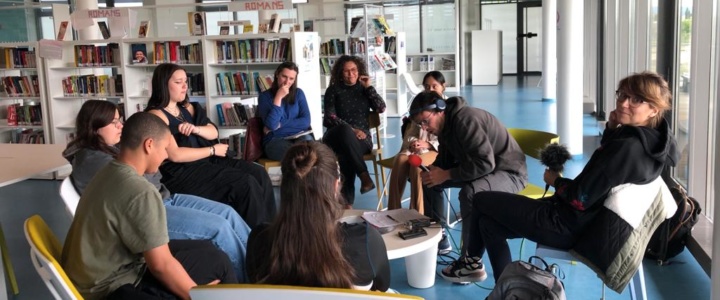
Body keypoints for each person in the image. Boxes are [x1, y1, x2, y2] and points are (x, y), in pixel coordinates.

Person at [441, 72, 679, 284]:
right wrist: (611, 129)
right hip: (585, 222)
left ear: (654, 109)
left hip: (567, 225)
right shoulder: (651, 143)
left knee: (481, 198)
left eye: (636, 99)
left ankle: (470, 263)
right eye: (622, 95)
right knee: (488, 224)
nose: (624, 103)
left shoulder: (628, 147)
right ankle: (505, 286)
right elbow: (607, 174)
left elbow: (579, 199)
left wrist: (555, 180)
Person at [62, 100, 251, 281]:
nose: (121, 126)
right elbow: (142, 183)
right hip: (150, 210)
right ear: (94, 127)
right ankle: (249, 283)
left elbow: (149, 175)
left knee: (228, 213)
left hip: (162, 196)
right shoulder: (94, 161)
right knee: (220, 228)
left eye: (120, 120)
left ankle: (260, 266)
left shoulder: (111, 148)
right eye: (113, 123)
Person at [146, 63, 276, 228]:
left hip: (206, 161)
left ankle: (271, 230)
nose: (185, 86)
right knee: (245, 183)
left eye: (186, 81)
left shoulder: (187, 107)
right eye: (179, 82)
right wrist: (212, 150)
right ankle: (258, 241)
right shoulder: (156, 115)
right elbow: (175, 155)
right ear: (163, 85)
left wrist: (196, 129)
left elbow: (213, 132)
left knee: (258, 173)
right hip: (182, 171)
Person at [246, 141, 390, 291]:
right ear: (335, 186)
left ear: (284, 185)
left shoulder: (259, 240)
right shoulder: (366, 240)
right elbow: (382, 287)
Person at [408, 91, 528, 261]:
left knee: (470, 193)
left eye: (426, 121)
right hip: (483, 171)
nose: (425, 128)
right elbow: (446, 162)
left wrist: (447, 174)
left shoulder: (466, 120)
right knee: (430, 181)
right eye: (421, 124)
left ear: (440, 109)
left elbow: (485, 163)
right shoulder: (444, 128)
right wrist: (433, 171)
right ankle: (439, 238)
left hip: (509, 173)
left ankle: (469, 260)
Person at [323, 55, 386, 206]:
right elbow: (330, 117)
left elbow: (381, 108)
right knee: (345, 132)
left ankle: (347, 204)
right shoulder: (333, 90)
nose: (351, 74)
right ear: (340, 73)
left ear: (359, 71)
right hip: (335, 137)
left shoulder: (364, 90)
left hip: (361, 140)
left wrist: (369, 87)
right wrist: (352, 130)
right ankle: (364, 176)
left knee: (346, 154)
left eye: (353, 70)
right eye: (346, 71)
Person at [387, 71, 444, 215]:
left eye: (434, 86)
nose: (430, 90)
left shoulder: (444, 109)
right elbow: (409, 134)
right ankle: (393, 210)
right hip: (415, 149)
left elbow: (445, 139)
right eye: (426, 86)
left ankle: (417, 212)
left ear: (443, 87)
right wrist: (414, 142)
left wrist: (428, 145)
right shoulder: (420, 105)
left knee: (416, 164)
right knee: (400, 159)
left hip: (434, 150)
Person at [257, 62, 313, 161]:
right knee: (297, 156)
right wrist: (278, 97)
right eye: (284, 76)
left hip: (299, 136)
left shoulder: (299, 93)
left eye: (291, 79)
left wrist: (280, 124)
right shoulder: (264, 97)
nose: (287, 82)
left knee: (311, 150)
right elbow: (272, 125)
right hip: (275, 140)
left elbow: (306, 122)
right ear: (277, 74)